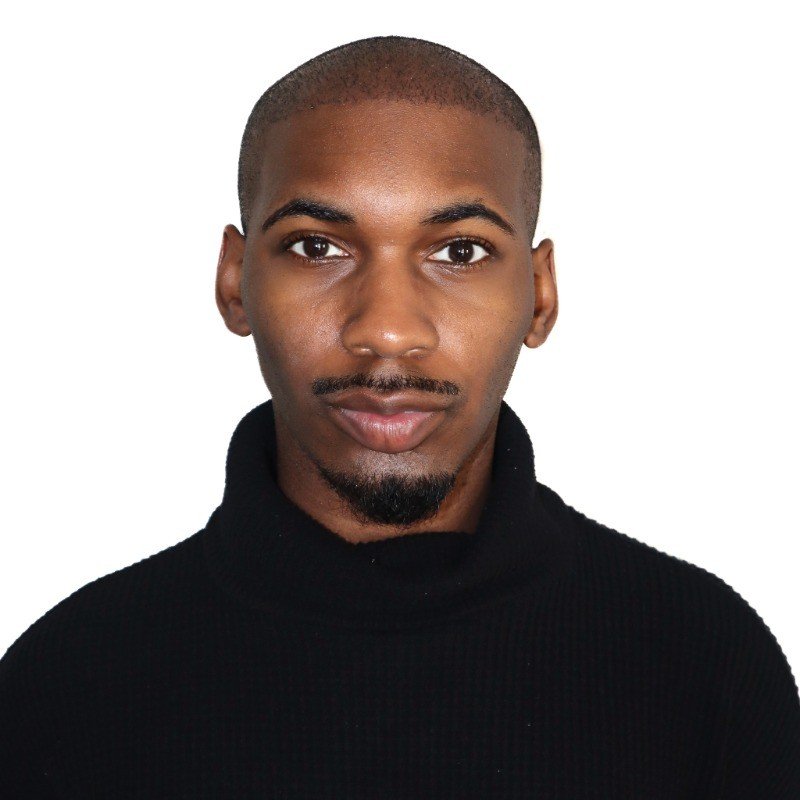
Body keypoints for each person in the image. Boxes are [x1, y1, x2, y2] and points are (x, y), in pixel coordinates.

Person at [2, 34, 799, 798]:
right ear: (235, 282)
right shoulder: (64, 688)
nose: (386, 330)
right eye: (317, 247)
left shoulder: (707, 668)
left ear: (539, 294)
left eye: (460, 251)